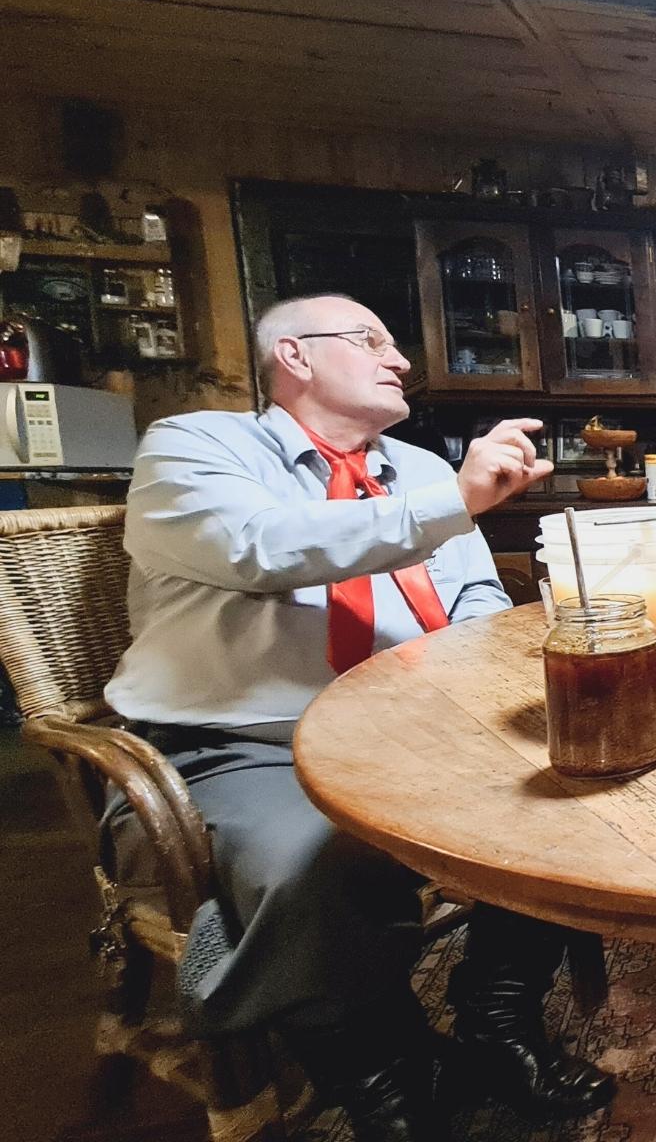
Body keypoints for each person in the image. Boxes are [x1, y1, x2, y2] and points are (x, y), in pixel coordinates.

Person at [104, 294, 616, 1141]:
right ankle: (383, 1068)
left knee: (577, 785)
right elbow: (260, 546)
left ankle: (498, 1020)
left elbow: (473, 597)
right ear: (295, 356)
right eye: (373, 341)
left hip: (415, 730)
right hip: (245, 743)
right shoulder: (195, 448)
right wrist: (451, 501)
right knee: (308, 858)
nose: (402, 360)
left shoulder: (416, 469)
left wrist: (494, 657)